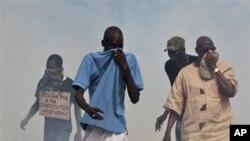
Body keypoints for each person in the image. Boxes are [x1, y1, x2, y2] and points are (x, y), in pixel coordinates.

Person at [72, 26, 144, 141]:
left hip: (117, 130)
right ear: (103, 43)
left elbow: (135, 98)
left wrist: (125, 67)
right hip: (95, 124)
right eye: (113, 46)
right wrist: (87, 108)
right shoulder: (91, 60)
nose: (116, 50)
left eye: (120, 46)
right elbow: (78, 94)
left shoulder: (129, 59)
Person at [162, 36, 238, 141]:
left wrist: (215, 68)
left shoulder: (225, 68)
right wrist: (167, 132)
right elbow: (175, 102)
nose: (210, 52)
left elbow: (230, 91)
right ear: (197, 51)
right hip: (193, 134)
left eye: (213, 49)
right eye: (205, 50)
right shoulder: (184, 73)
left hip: (222, 133)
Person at [20, 54, 82, 141]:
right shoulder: (43, 83)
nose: (50, 71)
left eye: (53, 68)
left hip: (64, 129)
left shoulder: (69, 84)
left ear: (60, 68)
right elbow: (37, 104)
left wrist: (79, 131)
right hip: (49, 129)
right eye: (48, 67)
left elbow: (77, 108)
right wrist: (27, 118)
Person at [155, 36, 198, 141]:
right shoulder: (169, 65)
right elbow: (175, 92)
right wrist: (165, 114)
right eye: (169, 51)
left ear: (183, 50)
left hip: (199, 113)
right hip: (182, 114)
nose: (170, 54)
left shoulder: (197, 62)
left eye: (174, 51)